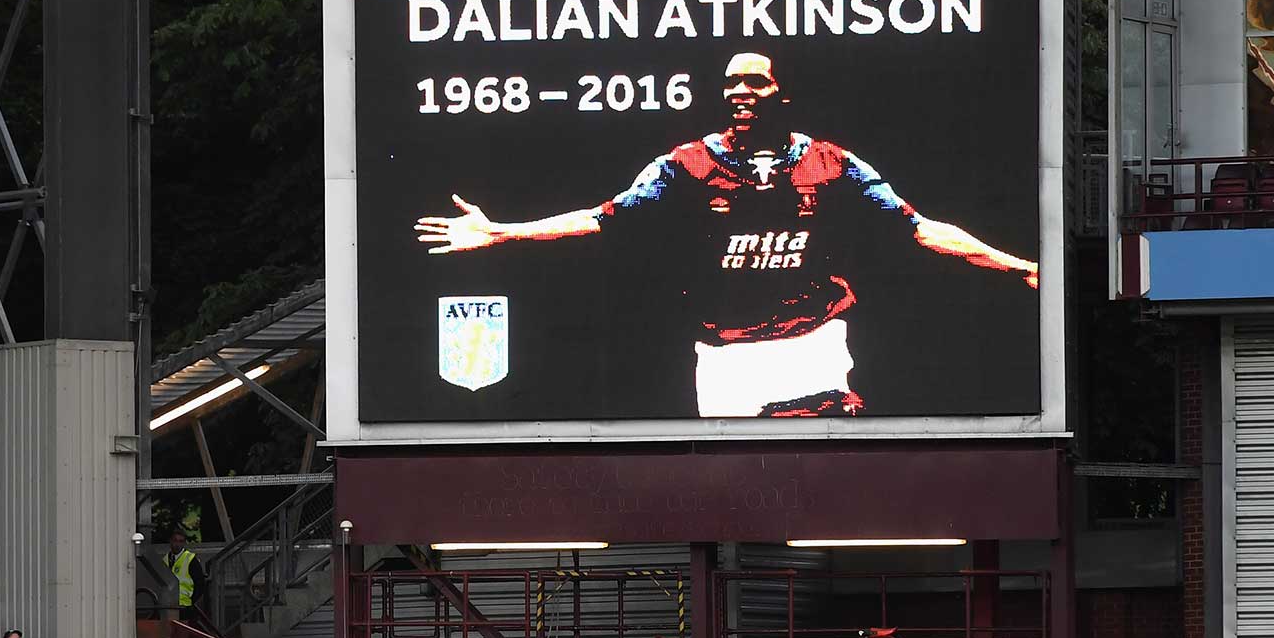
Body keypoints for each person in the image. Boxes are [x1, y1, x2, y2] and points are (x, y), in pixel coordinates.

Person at [414, 51, 1037, 417]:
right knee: (745, 497)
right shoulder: (685, 164)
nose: (740, 92)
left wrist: (1021, 266)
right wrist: (501, 233)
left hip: (812, 341)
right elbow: (603, 218)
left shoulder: (832, 162)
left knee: (824, 470)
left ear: (781, 92)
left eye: (755, 82)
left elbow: (920, 229)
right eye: (732, 83)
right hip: (724, 359)